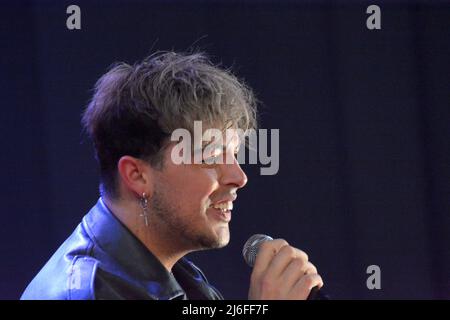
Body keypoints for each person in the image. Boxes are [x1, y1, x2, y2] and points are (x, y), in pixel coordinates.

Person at [21, 51, 323, 300]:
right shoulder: (86, 293)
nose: (238, 176)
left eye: (234, 154)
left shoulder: (180, 276)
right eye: (211, 155)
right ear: (137, 176)